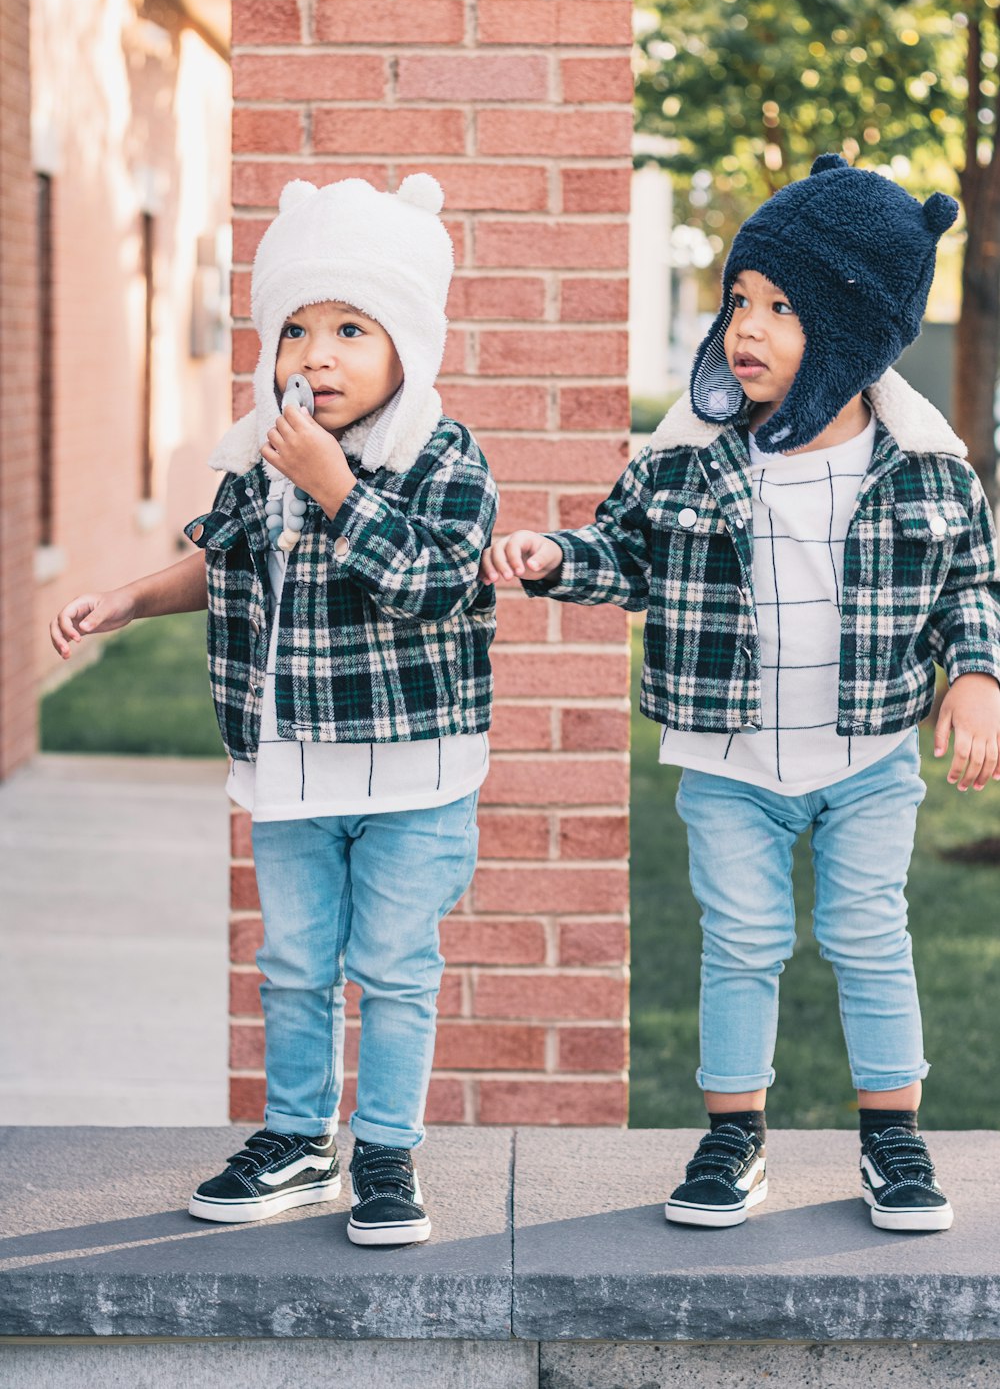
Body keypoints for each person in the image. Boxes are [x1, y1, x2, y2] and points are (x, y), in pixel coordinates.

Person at [481, 154, 1000, 1233]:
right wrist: (549, 557)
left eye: (779, 308)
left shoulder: (926, 469)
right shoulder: (688, 459)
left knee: (867, 933)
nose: (743, 330)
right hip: (726, 762)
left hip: (864, 757)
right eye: (739, 301)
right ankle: (731, 1140)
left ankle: (893, 1140)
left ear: (855, 333)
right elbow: (621, 552)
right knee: (740, 940)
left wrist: (979, 677)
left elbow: (970, 585)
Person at [51, 174, 497, 1245]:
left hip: (413, 776)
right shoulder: (266, 455)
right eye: (298, 328)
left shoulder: (443, 457)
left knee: (392, 969)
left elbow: (434, 584)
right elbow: (219, 559)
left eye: (352, 327)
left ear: (409, 344)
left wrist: (339, 487)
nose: (318, 355)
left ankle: (386, 1154)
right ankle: (298, 1142)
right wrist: (128, 598)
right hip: (291, 770)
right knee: (294, 964)